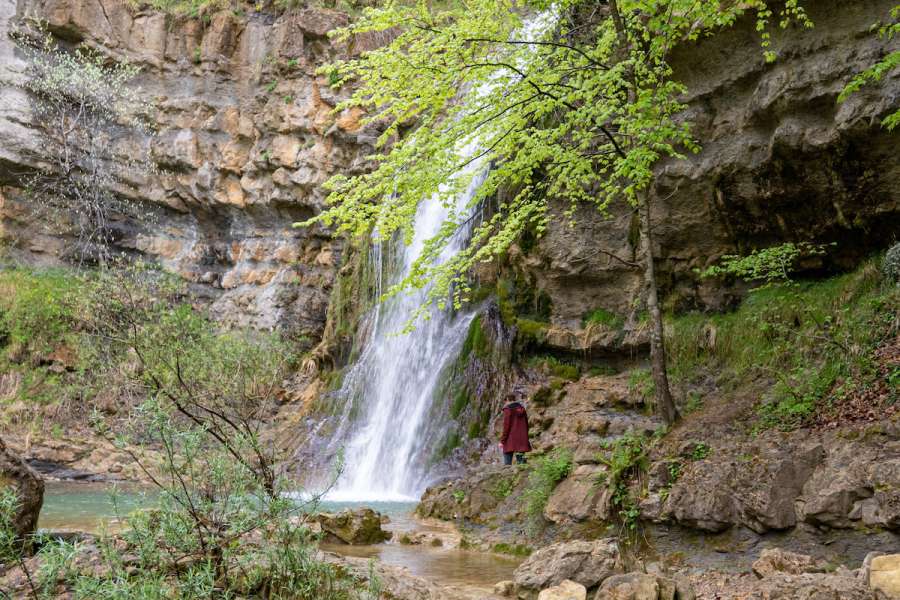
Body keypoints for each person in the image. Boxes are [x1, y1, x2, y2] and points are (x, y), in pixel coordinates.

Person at [499, 393, 531, 465]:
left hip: (510, 440)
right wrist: (525, 436)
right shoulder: (522, 409)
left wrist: (502, 441)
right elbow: (526, 424)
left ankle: (507, 474)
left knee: (507, 464)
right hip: (522, 439)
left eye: (505, 401)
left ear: (507, 400)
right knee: (521, 464)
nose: (505, 403)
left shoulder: (508, 410)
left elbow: (506, 427)